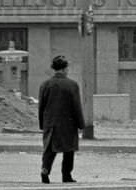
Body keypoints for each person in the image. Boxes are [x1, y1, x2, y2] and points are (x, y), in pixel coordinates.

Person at [38, 55, 84, 184]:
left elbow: (41, 106)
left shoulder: (45, 85)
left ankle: (45, 170)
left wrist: (42, 124)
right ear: (64, 69)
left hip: (50, 123)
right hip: (68, 123)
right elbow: (76, 106)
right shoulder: (72, 85)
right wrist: (81, 123)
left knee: (49, 149)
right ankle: (66, 175)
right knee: (69, 150)